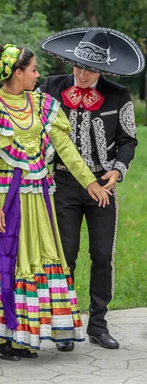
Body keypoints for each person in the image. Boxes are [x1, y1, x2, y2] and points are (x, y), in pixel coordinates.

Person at [0, 44, 111, 361]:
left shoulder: (43, 105)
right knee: (2, 261)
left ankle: (24, 335)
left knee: (34, 260)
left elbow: (66, 148)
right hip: (3, 197)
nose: (38, 75)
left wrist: (90, 181)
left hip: (36, 198)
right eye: (33, 70)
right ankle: (1, 336)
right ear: (17, 73)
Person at [39, 28, 143, 351]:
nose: (82, 74)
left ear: (103, 70)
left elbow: (128, 140)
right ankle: (64, 324)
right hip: (63, 183)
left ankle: (98, 323)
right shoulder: (50, 88)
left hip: (102, 186)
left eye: (90, 69)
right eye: (78, 66)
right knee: (64, 254)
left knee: (101, 255)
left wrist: (117, 170)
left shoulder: (119, 95)